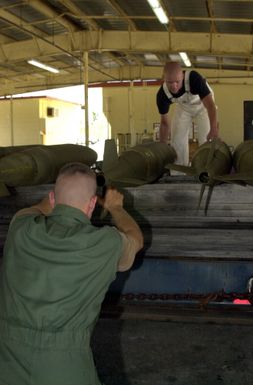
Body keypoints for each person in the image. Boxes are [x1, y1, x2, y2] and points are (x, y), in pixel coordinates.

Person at [0, 162, 143, 385]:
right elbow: (136, 239)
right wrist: (116, 207)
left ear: (53, 198)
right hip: (63, 366)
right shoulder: (104, 244)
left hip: (6, 360)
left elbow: (39, 208)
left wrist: (59, 193)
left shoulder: (21, 226)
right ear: (93, 204)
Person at [156, 61, 219, 167]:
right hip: (184, 108)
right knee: (177, 140)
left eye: (177, 82)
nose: (174, 86)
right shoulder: (162, 94)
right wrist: (162, 147)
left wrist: (214, 128)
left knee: (206, 139)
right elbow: (164, 123)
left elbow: (211, 106)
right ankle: (178, 171)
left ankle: (207, 170)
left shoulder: (194, 78)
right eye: (170, 82)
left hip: (203, 107)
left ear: (183, 76)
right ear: (164, 79)